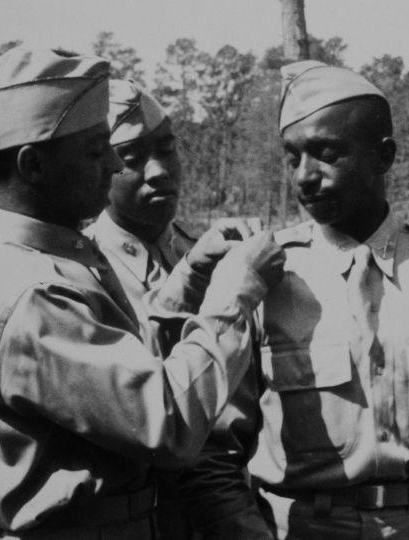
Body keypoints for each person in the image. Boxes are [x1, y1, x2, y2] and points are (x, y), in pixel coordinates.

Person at [0, 47, 284, 538]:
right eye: (97, 150)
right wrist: (234, 294)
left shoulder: (44, 265)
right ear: (33, 165)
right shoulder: (34, 295)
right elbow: (166, 422)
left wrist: (188, 280)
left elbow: (117, 367)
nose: (113, 165)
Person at [177, 60, 409, 540]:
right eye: (292, 157)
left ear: (384, 156)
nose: (304, 177)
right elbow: (213, 457)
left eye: (325, 153)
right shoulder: (263, 277)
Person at [83, 78, 264, 539]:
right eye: (132, 157)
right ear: (100, 166)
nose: (160, 170)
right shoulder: (79, 271)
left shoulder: (214, 256)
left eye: (167, 149)